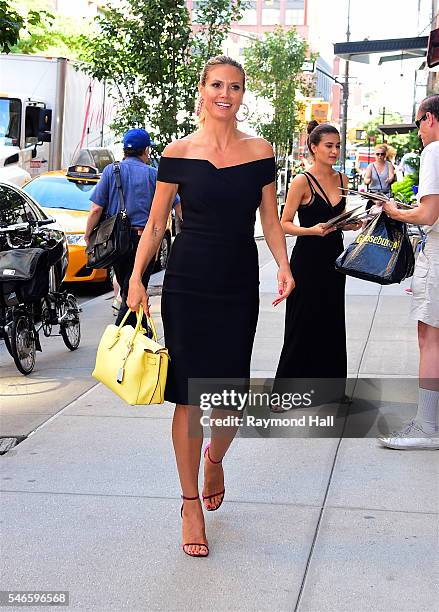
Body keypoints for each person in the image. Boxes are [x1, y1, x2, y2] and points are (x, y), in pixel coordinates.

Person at [126, 55, 295, 557]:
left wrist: (284, 266)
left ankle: (215, 458)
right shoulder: (177, 153)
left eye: (236, 87)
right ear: (202, 90)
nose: (226, 93)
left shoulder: (260, 151)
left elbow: (269, 219)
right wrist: (136, 278)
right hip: (187, 282)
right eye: (217, 85)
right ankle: (189, 502)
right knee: (189, 396)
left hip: (237, 281)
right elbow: (156, 225)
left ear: (244, 94)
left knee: (230, 397)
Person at [272, 121, 362, 409]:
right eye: (329, 145)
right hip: (308, 260)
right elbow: (283, 225)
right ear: (314, 147)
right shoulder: (302, 181)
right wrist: (312, 230)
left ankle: (332, 390)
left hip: (335, 261)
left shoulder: (343, 180)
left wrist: (353, 223)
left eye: (337, 145)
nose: (335, 150)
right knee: (301, 323)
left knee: (332, 321)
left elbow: (342, 219)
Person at [379, 94, 439, 450]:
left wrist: (396, 211)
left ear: (429, 119)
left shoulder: (434, 151)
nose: (418, 132)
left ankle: (427, 426)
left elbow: (428, 214)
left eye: (418, 123)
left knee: (429, 337)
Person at [84, 128, 180, 326]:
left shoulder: (112, 170)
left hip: (117, 242)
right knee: (134, 291)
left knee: (131, 290)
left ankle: (137, 336)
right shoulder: (154, 175)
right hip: (144, 241)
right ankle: (121, 338)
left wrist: (88, 235)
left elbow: (96, 209)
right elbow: (177, 205)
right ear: (146, 150)